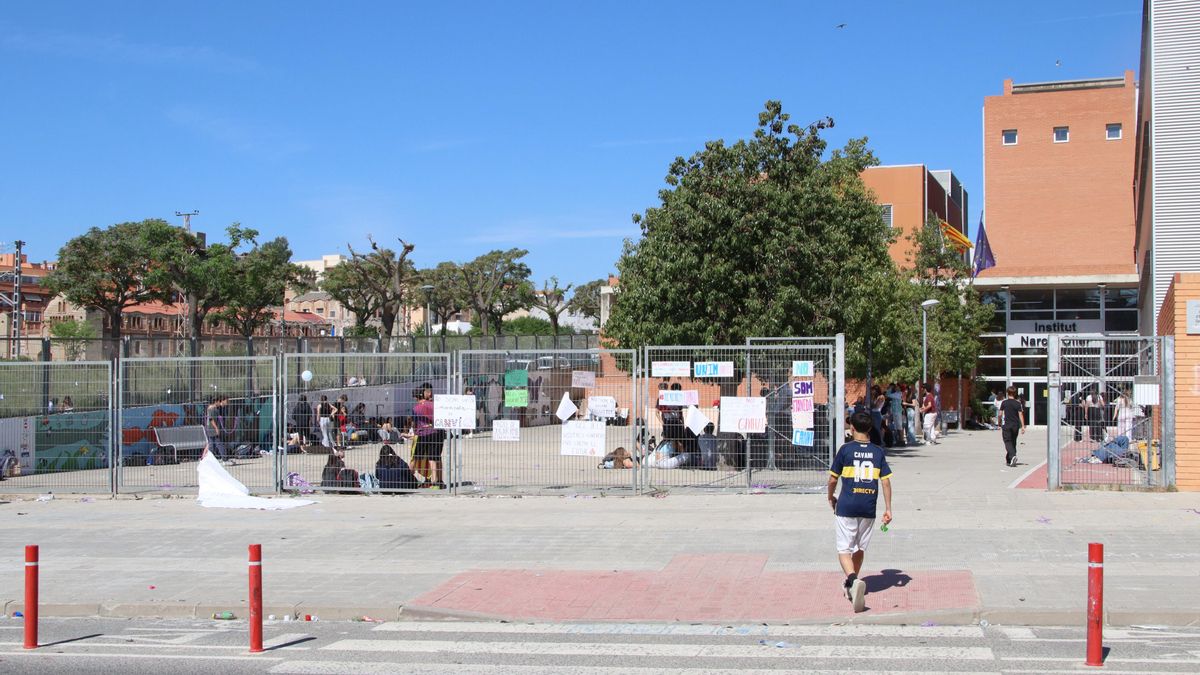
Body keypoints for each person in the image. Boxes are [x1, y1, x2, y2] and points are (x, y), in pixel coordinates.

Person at [827, 411, 893, 613]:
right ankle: (852, 585)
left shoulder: (845, 450)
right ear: (870, 429)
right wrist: (888, 508)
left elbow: (832, 479)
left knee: (843, 550)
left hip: (846, 506)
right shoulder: (877, 451)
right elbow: (886, 481)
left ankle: (853, 580)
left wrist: (830, 496)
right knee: (859, 548)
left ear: (852, 429)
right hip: (868, 507)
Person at [412, 383, 446, 488]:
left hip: (424, 433)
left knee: (418, 458)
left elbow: (415, 423)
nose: (431, 393)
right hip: (438, 432)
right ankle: (439, 481)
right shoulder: (435, 405)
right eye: (428, 391)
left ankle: (433, 481)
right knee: (436, 457)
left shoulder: (417, 408)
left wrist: (414, 432)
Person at [998, 386, 1025, 467]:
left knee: (1007, 442)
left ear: (1007, 393)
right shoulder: (1018, 403)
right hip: (1015, 426)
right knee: (1013, 442)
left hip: (1007, 425)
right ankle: (1009, 459)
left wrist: (999, 423)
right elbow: (1020, 415)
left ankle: (1013, 456)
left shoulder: (1004, 403)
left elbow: (1000, 414)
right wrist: (1023, 426)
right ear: (1015, 393)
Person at [205, 395, 231, 462]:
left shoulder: (213, 408)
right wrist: (216, 428)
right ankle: (224, 458)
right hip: (212, 429)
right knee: (218, 443)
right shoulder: (212, 409)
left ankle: (210, 458)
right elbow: (211, 419)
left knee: (212, 444)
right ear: (216, 402)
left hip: (211, 429)